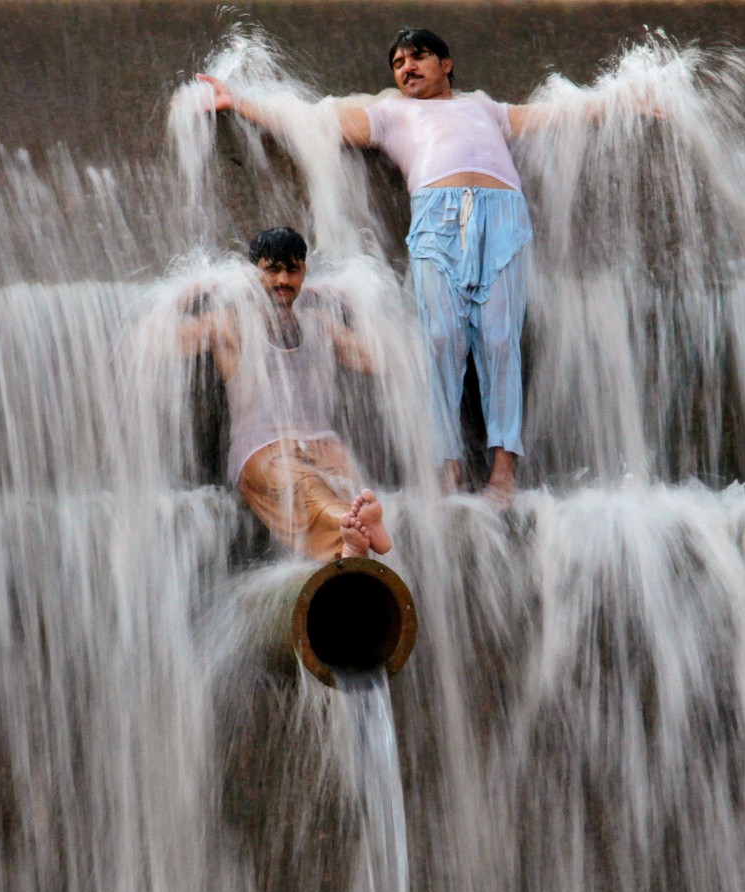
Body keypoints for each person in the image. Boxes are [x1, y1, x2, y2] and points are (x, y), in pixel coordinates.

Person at [197, 29, 547, 502]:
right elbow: (312, 121)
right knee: (440, 339)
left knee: (501, 339)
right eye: (398, 63)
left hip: (503, 218)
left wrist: (627, 101)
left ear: (446, 64)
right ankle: (448, 468)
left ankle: (503, 472)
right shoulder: (391, 113)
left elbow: (553, 115)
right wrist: (239, 102)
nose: (407, 67)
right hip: (436, 220)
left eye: (418, 57)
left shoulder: (486, 109)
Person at [174, 227, 393, 560]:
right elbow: (154, 344)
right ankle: (349, 528)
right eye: (272, 270)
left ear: (304, 272)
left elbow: (378, 361)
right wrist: (189, 294)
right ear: (254, 274)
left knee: (351, 486)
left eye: (292, 270)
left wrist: (358, 305)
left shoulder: (320, 323)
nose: (283, 280)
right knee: (306, 488)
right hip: (262, 448)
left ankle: (352, 540)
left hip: (324, 442)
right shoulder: (229, 324)